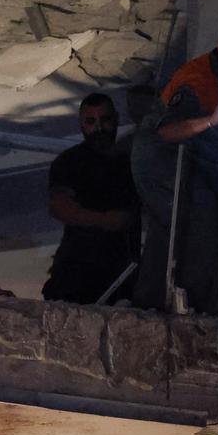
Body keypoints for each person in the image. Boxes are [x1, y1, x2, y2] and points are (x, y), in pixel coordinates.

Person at [130, 18, 218, 314]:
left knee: (211, 229)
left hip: (198, 161)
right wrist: (210, 121)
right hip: (161, 156)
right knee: (181, 223)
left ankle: (198, 305)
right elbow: (165, 132)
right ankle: (154, 306)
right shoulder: (196, 81)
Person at [42, 93, 140, 304]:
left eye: (105, 120)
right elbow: (59, 207)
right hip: (78, 272)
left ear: (115, 119)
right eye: (91, 121)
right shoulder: (70, 162)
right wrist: (105, 221)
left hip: (123, 271)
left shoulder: (130, 162)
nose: (99, 128)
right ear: (81, 125)